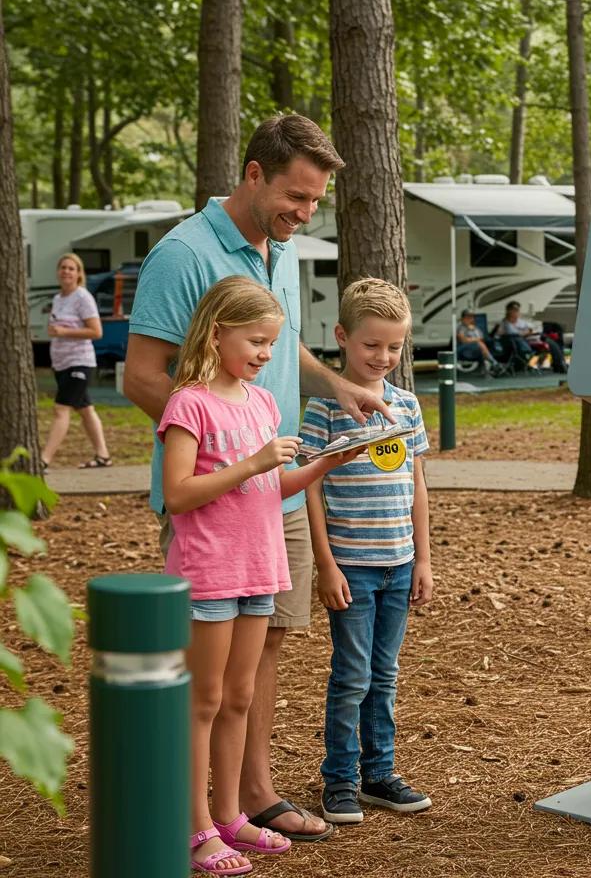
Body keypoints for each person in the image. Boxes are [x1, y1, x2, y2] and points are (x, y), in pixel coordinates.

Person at [124, 114, 391, 842]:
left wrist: (336, 385)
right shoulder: (184, 255)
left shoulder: (282, 249)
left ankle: (249, 796)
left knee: (267, 640)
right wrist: (224, 456)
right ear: (252, 173)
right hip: (218, 501)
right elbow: (143, 376)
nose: (304, 214)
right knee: (207, 677)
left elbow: (281, 338)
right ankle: (195, 816)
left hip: (276, 485)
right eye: (295, 197)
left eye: (314, 203)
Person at [160, 277, 360, 874]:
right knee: (204, 700)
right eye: (256, 341)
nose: (266, 355)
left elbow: (270, 489)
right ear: (217, 331)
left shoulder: (263, 403)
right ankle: (194, 826)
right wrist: (253, 461)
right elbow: (177, 494)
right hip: (209, 573)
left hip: (259, 567)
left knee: (240, 697)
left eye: (272, 344)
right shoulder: (188, 404)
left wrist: (326, 462)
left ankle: (229, 817)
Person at [299, 278, 433, 824]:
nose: (383, 357)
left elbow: (417, 484)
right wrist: (325, 565)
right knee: (351, 675)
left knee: (385, 674)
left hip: (398, 565)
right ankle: (340, 780)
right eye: (370, 344)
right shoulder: (324, 407)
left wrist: (423, 557)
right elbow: (308, 486)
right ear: (342, 338)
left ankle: (380, 774)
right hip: (350, 567)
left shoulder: (406, 405)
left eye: (394, 347)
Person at [41, 253, 112, 470]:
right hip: (61, 364)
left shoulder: (83, 297)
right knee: (86, 409)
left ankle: (43, 460)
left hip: (79, 362)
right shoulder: (58, 299)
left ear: (78, 274)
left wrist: (63, 331)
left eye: (71, 268)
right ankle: (103, 456)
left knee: (61, 410)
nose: (66, 271)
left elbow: (96, 331)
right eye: (63, 267)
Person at [496, 300, 566, 373]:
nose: (516, 312)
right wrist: (527, 332)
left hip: (535, 332)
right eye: (514, 310)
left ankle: (560, 362)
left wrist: (529, 331)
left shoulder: (520, 321)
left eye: (517, 310)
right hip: (529, 339)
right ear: (509, 311)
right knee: (551, 343)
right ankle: (560, 364)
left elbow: (532, 327)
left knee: (557, 329)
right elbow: (514, 334)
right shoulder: (506, 323)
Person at [455, 308, 497, 373]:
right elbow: (463, 340)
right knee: (479, 344)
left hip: (475, 347)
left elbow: (481, 338)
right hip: (463, 349)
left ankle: (487, 367)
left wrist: (473, 337)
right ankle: (494, 363)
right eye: (468, 317)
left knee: (482, 344)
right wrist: (475, 340)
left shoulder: (475, 328)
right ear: (463, 318)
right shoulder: (460, 327)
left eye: (471, 317)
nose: (470, 319)